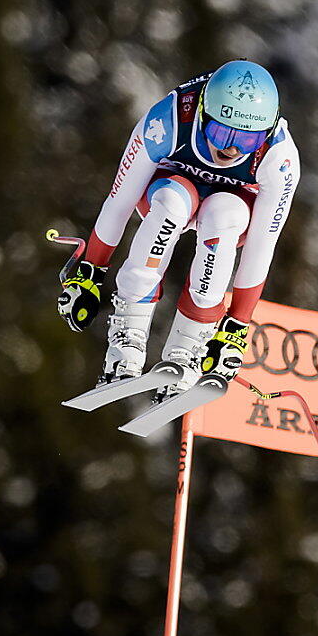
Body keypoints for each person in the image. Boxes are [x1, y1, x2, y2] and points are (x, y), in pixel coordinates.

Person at [57, 60, 300, 401]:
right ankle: (126, 343)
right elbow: (120, 199)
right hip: (169, 188)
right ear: (202, 113)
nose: (230, 148)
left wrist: (236, 324)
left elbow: (263, 244)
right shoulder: (167, 121)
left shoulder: (279, 157)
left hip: (233, 204)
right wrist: (91, 270)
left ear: (266, 132)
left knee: (223, 216)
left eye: (246, 139)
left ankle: (186, 353)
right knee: (172, 204)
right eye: (221, 132)